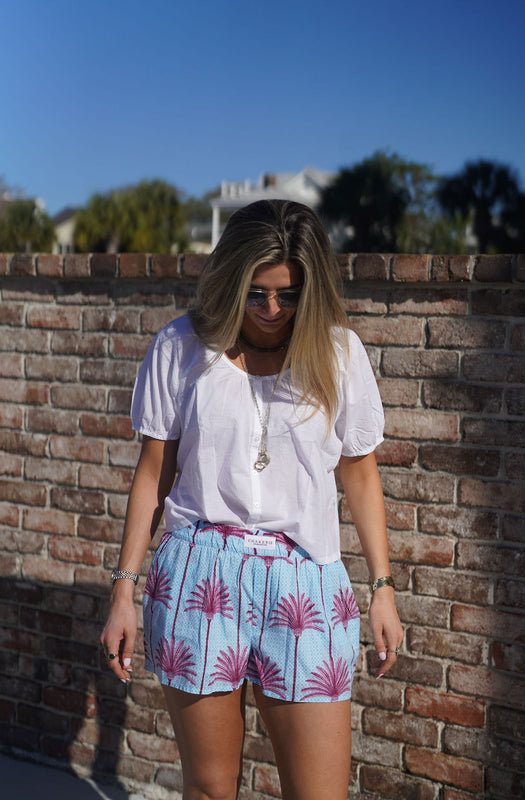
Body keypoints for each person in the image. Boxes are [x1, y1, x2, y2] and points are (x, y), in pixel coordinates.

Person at [100, 199, 403, 800]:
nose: (270, 309)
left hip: (306, 584)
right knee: (210, 789)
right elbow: (153, 474)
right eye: (257, 292)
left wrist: (383, 589)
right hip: (198, 575)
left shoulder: (339, 355)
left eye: (288, 295)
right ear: (232, 277)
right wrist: (124, 589)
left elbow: (362, 478)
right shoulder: (182, 347)